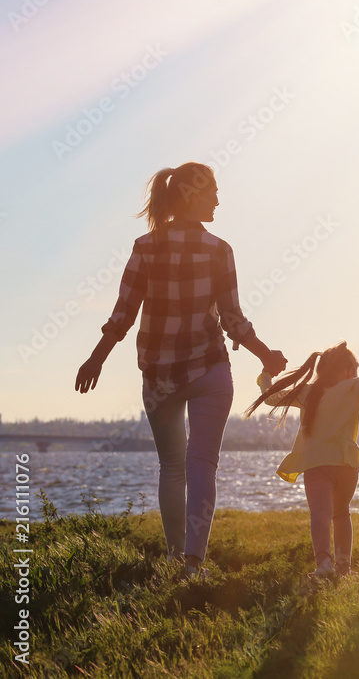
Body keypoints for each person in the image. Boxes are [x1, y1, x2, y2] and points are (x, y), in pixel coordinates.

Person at [75, 162, 287, 579]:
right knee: (202, 464)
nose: (219, 200)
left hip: (159, 375)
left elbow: (123, 314)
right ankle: (193, 565)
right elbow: (233, 319)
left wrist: (96, 356)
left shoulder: (144, 246)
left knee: (173, 468)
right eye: (213, 192)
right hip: (209, 367)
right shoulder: (219, 250)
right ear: (192, 194)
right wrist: (264, 353)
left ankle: (177, 560)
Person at [246, 343, 359, 580]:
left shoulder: (308, 393)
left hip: (317, 464)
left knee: (320, 513)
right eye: (355, 369)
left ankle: (324, 563)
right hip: (347, 464)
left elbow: (271, 398)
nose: (356, 374)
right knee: (341, 514)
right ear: (347, 370)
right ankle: (343, 568)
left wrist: (265, 376)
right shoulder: (355, 388)